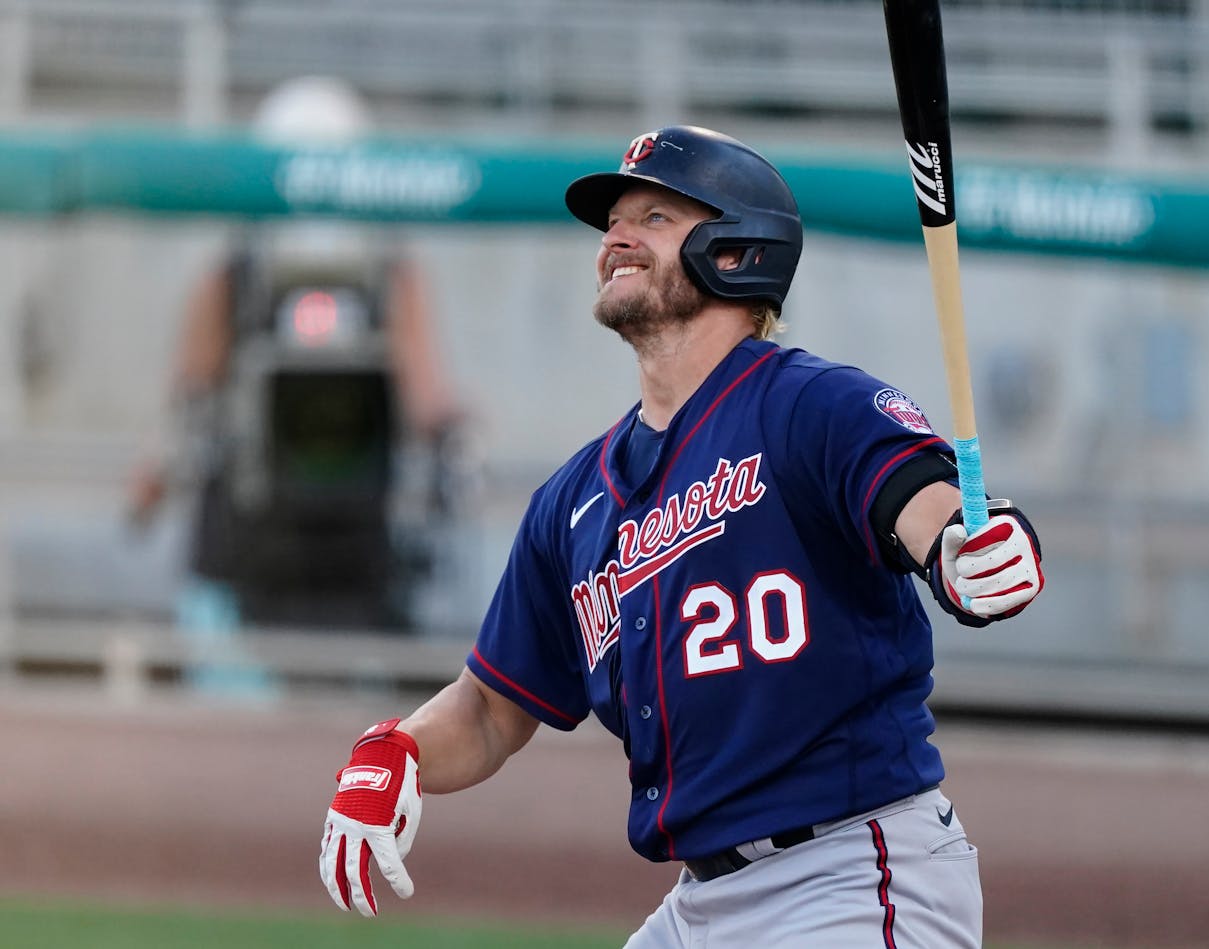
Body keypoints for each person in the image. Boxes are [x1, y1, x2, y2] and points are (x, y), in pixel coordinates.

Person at [319, 125, 1043, 947]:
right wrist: (398, 749)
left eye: (655, 217)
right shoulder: (574, 500)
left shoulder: (810, 406)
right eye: (614, 222)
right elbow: (491, 708)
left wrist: (966, 551)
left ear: (739, 251)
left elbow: (929, 510)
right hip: (703, 903)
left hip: (851, 874)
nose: (616, 237)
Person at [128, 76, 465, 638]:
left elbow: (428, 394)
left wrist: (453, 439)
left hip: (353, 552)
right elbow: (189, 396)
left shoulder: (387, 277)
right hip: (245, 550)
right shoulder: (235, 278)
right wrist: (153, 474)